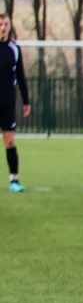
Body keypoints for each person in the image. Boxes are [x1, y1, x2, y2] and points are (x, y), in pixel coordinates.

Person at [0, 13, 30, 192]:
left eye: (5, 24)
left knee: (9, 140)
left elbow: (21, 76)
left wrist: (26, 100)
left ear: (9, 26)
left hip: (7, 102)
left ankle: (14, 181)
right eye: (0, 24)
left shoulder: (14, 49)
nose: (3, 27)